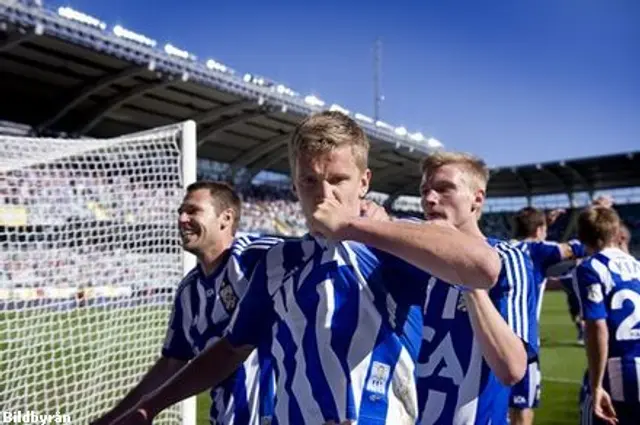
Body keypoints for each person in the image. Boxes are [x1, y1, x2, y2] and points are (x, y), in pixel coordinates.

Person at [109, 111, 507, 425]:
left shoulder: (393, 246)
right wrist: (151, 405)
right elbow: (232, 348)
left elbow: (483, 267)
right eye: (310, 181)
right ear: (295, 186)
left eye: (338, 179)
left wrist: (351, 227)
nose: (324, 194)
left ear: (364, 182)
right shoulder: (277, 263)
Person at [311, 151, 537, 425]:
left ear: (477, 199)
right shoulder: (413, 261)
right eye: (425, 191)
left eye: (444, 189)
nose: (430, 199)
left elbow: (511, 369)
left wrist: (465, 275)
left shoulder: (507, 259)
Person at [89, 181, 280, 425]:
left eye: (193, 211)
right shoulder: (189, 292)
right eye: (180, 211)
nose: (181, 218)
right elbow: (171, 363)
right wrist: (113, 418)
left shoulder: (260, 258)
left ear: (225, 219)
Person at [507, 206, 586, 425]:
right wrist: (596, 211)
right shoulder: (540, 250)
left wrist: (544, 224)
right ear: (540, 229)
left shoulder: (503, 247)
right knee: (523, 407)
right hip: (523, 342)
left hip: (493, 338)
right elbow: (580, 247)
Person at [574, 207, 640, 425]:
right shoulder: (638, 266)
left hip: (619, 370)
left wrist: (596, 384)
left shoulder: (590, 268)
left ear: (582, 236)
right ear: (617, 232)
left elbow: (596, 327)